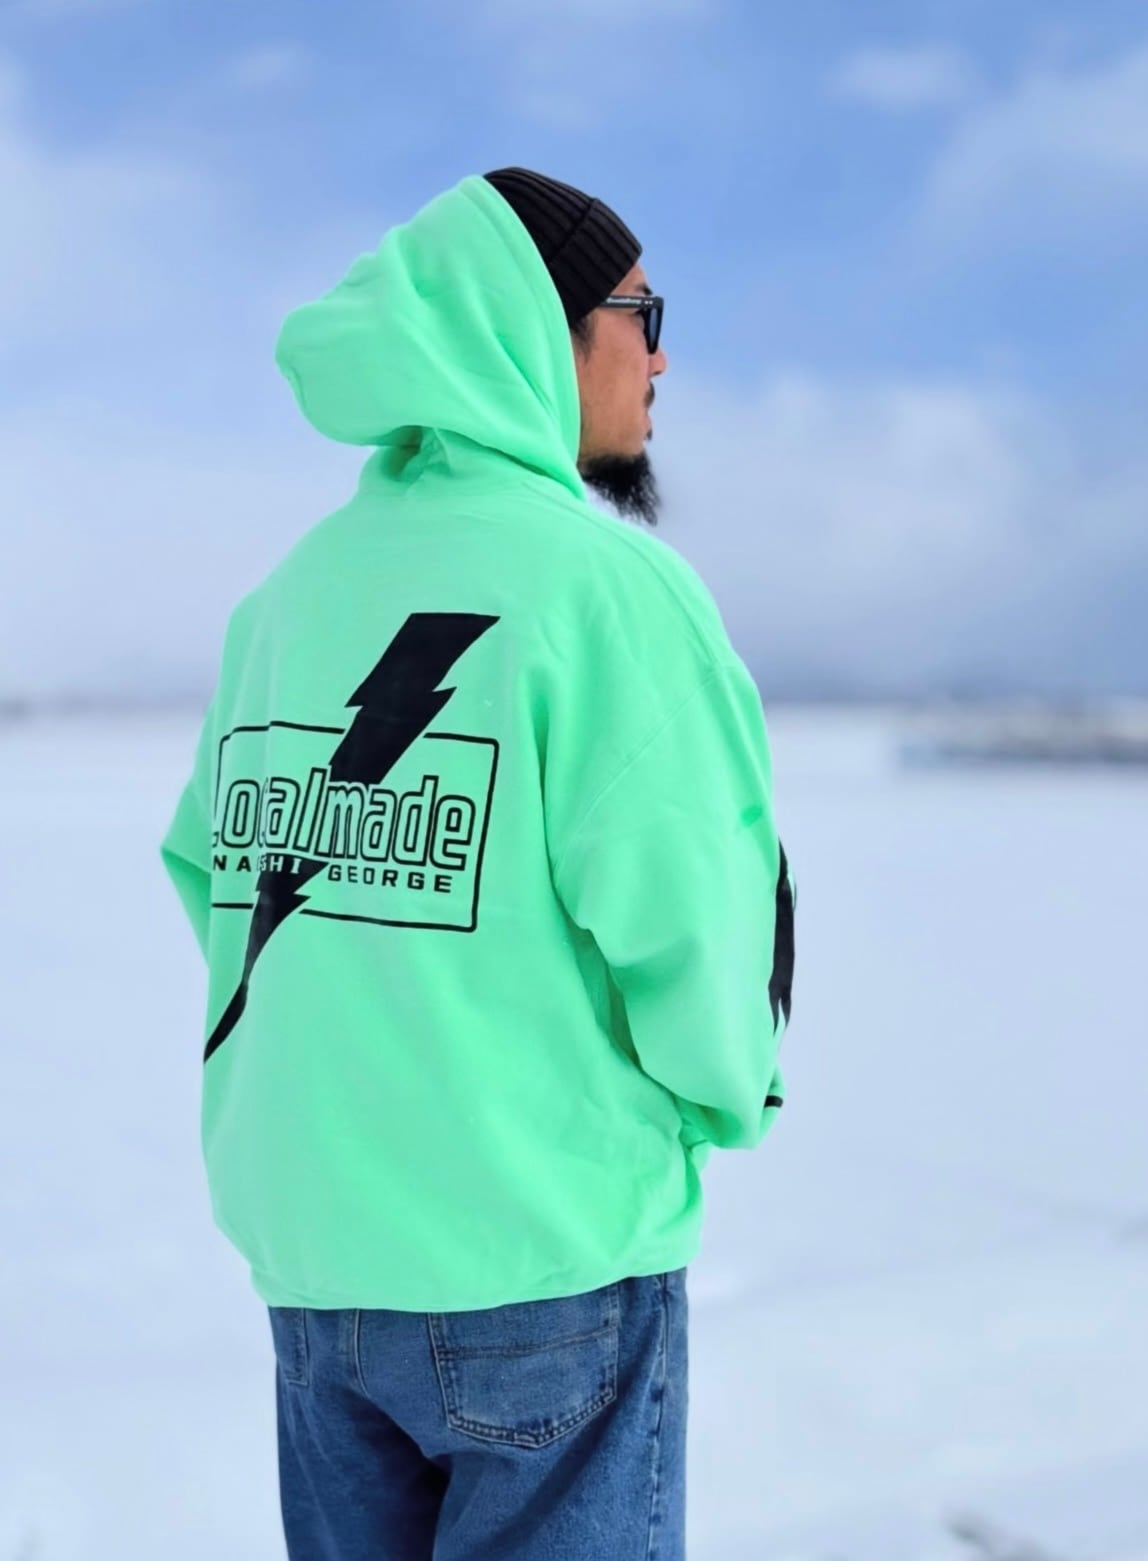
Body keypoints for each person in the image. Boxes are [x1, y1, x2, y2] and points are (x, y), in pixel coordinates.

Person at [160, 166, 795, 1561]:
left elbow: (214, 867)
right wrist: (725, 1094)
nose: (662, 358)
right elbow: (696, 917)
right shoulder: (606, 591)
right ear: (540, 328)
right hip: (544, 1261)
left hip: (319, 1274)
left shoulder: (291, 594)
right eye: (642, 315)